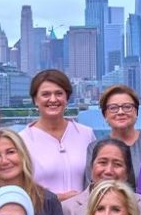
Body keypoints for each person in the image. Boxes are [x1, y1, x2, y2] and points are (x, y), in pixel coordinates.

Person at [20, 69, 96, 201]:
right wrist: (59, 198)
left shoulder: (86, 134)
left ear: (67, 97)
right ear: (35, 100)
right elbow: (19, 188)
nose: (53, 99)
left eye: (59, 93)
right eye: (46, 94)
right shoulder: (22, 140)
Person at [63, 138, 141, 215]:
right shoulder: (67, 209)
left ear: (127, 172)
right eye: (102, 163)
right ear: (91, 168)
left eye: (117, 164)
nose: (108, 171)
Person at [84, 84, 141, 188]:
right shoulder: (95, 147)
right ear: (105, 115)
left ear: (136, 111)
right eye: (113, 108)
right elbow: (91, 187)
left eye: (127, 107)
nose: (120, 112)